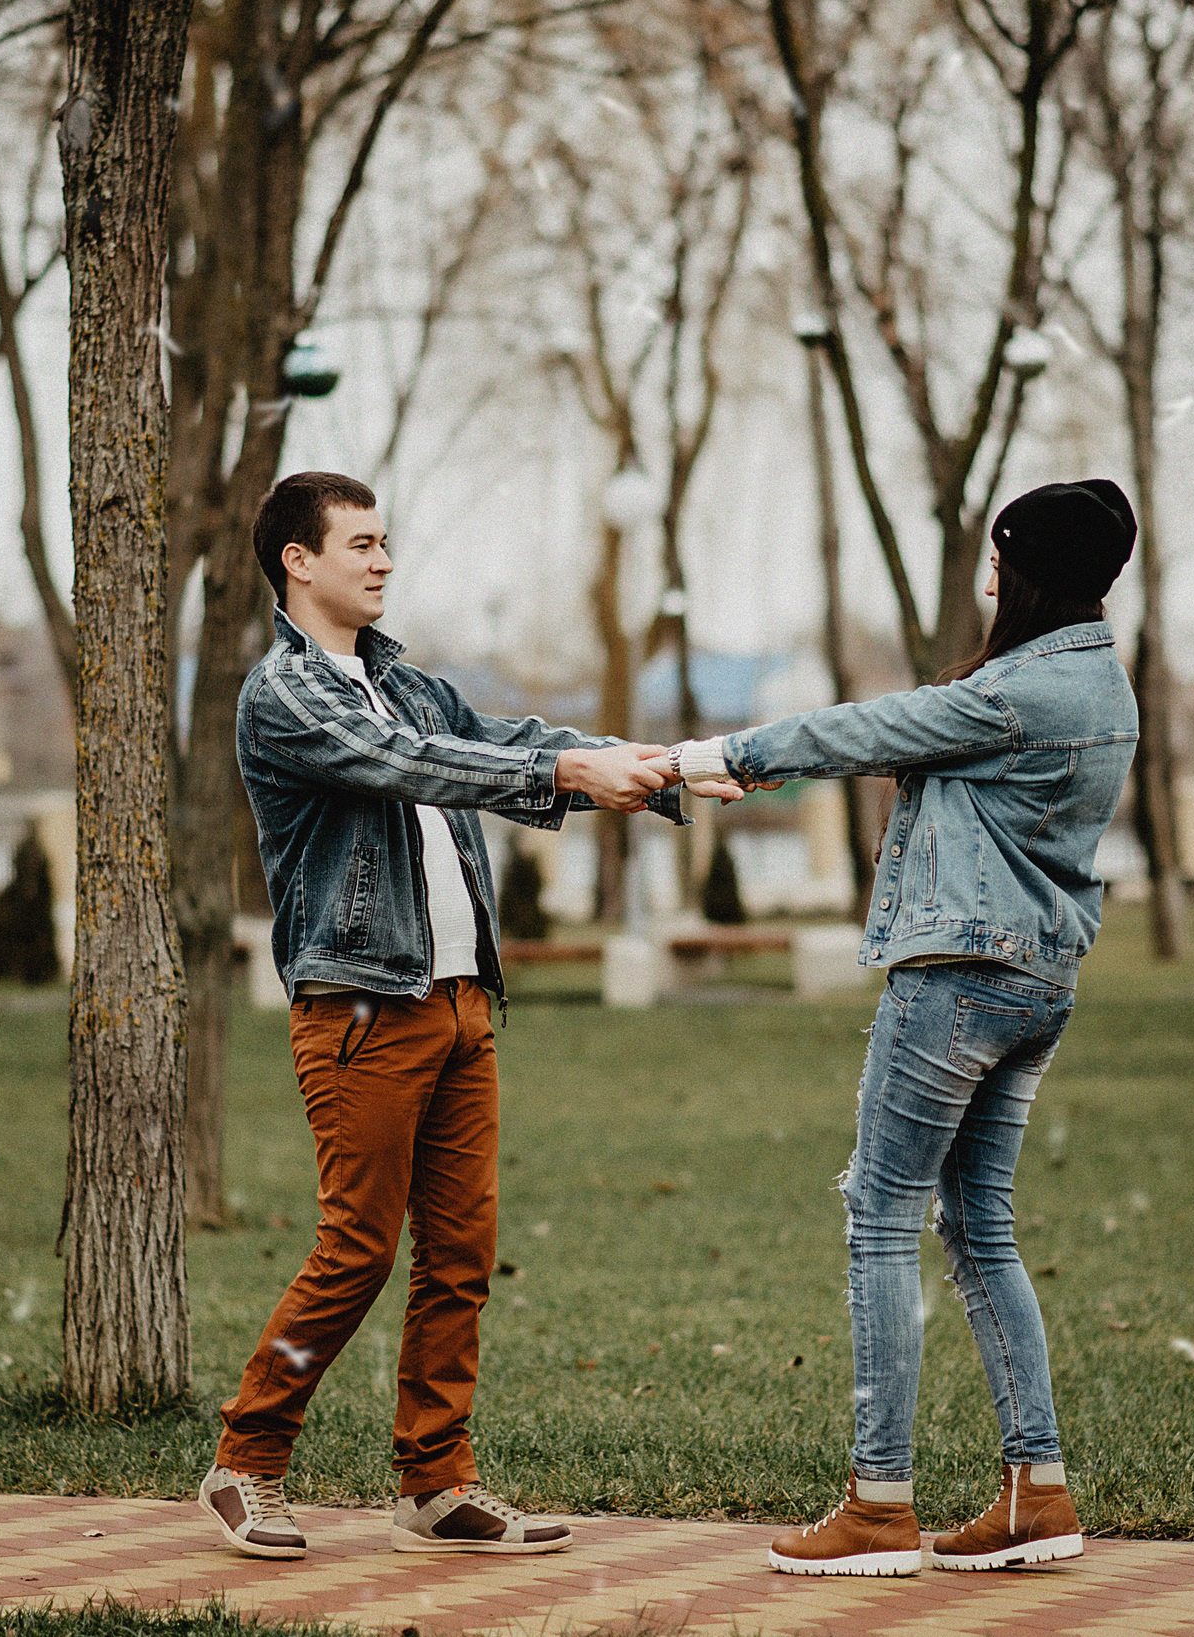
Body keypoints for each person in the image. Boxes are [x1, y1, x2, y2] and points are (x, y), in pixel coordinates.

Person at [199, 470, 721, 1562]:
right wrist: (561, 765)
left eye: (386, 541)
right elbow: (419, 766)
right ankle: (246, 1457)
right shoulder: (288, 695)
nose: (383, 560)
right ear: (297, 560)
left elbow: (499, 736)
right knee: (356, 1249)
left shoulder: (409, 683)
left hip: (459, 1002)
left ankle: (435, 1483)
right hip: (360, 1009)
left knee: (461, 1253)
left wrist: (665, 767)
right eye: (360, 543)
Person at [665, 480, 1141, 1577]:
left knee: (879, 1211)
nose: (985, 578)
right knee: (980, 1226)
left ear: (1027, 572)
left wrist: (719, 756)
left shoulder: (1020, 693)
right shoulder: (1097, 682)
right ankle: (1039, 1489)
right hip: (1037, 983)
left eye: (997, 559)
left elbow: (866, 728)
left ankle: (878, 1503)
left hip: (960, 981)